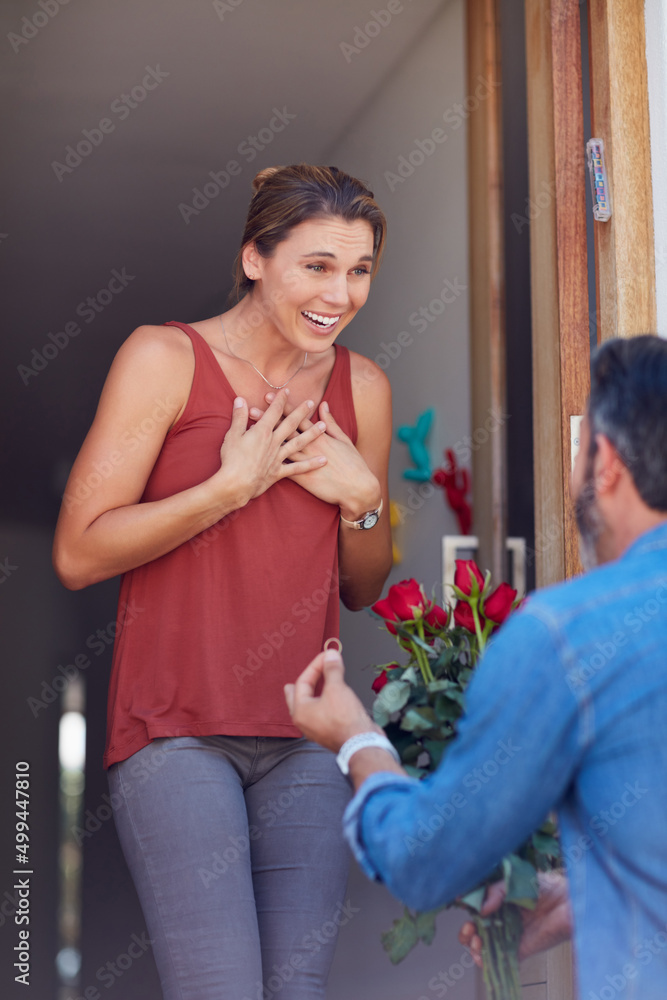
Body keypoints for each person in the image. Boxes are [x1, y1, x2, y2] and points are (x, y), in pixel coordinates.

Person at [52, 164, 393, 1000]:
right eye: (316, 266)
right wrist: (225, 489)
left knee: (297, 989)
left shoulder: (365, 388)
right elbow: (78, 554)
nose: (340, 293)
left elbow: (364, 587)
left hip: (309, 738)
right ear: (253, 258)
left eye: (358, 270)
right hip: (177, 732)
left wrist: (362, 499)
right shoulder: (164, 357)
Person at [285, 334, 667, 999]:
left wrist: (358, 742)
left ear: (603, 462)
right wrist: (588, 893)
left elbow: (426, 858)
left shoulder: (567, 635)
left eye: (578, 452)